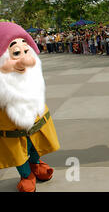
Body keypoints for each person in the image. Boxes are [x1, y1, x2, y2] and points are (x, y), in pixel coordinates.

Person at [0, 22, 60, 192]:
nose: (25, 60)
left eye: (26, 51)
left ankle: (36, 164)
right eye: (16, 53)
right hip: (9, 128)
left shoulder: (32, 79)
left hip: (34, 121)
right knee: (17, 150)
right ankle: (26, 175)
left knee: (35, 143)